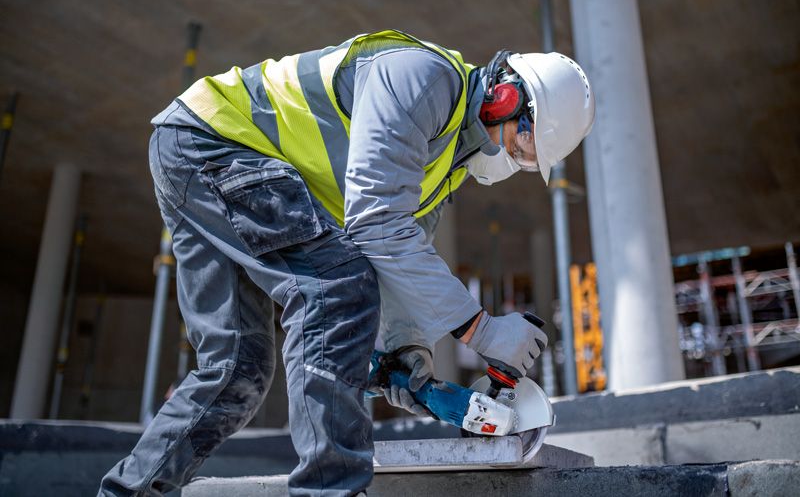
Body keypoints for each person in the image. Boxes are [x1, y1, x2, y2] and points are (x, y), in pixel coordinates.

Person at [99, 29, 595, 496]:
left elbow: (397, 261)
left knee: (237, 370)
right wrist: (483, 331)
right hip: (217, 143)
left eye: (529, 160)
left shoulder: (441, 169)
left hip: (194, 153)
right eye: (525, 144)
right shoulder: (422, 78)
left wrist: (409, 361)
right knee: (334, 285)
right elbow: (375, 223)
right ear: (506, 97)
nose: (517, 159)